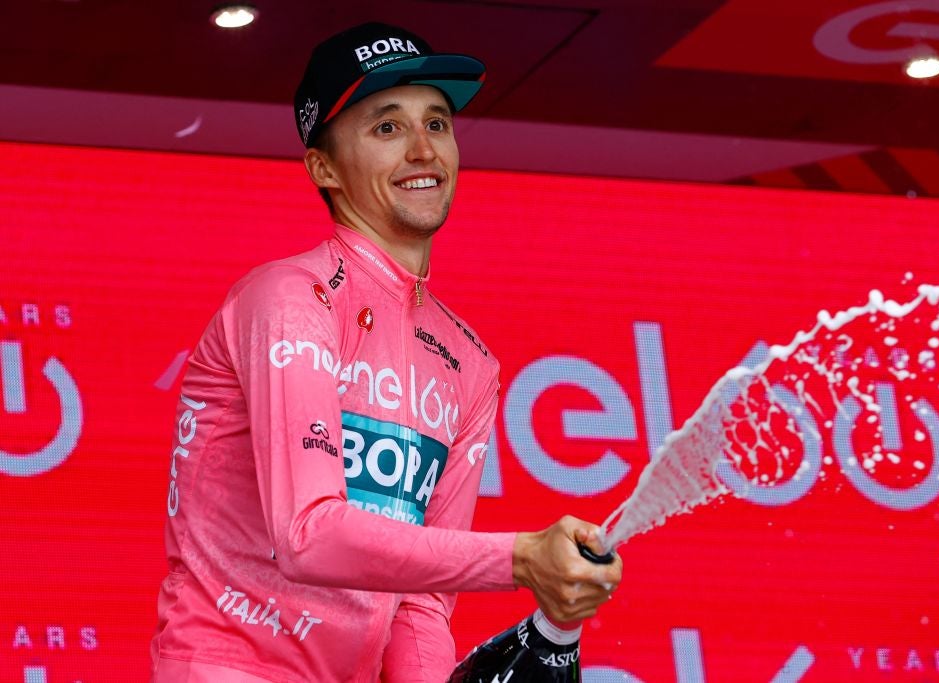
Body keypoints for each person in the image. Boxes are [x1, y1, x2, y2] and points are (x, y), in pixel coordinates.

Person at [150, 22, 622, 683]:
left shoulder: (469, 361)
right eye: (387, 128)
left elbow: (421, 604)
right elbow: (308, 534)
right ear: (323, 167)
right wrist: (521, 558)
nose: (424, 149)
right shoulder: (290, 297)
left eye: (437, 122)